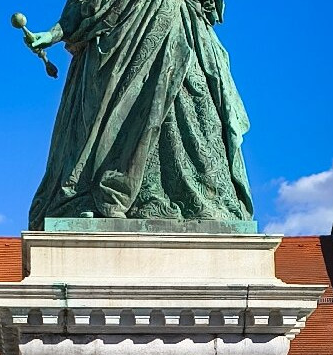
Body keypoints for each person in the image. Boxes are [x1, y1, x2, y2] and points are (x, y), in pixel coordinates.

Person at [22, 0, 254, 226]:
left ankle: (202, 202)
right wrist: (53, 34)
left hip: (175, 27)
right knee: (109, 122)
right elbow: (83, 6)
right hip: (117, 42)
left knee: (193, 113)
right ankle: (91, 199)